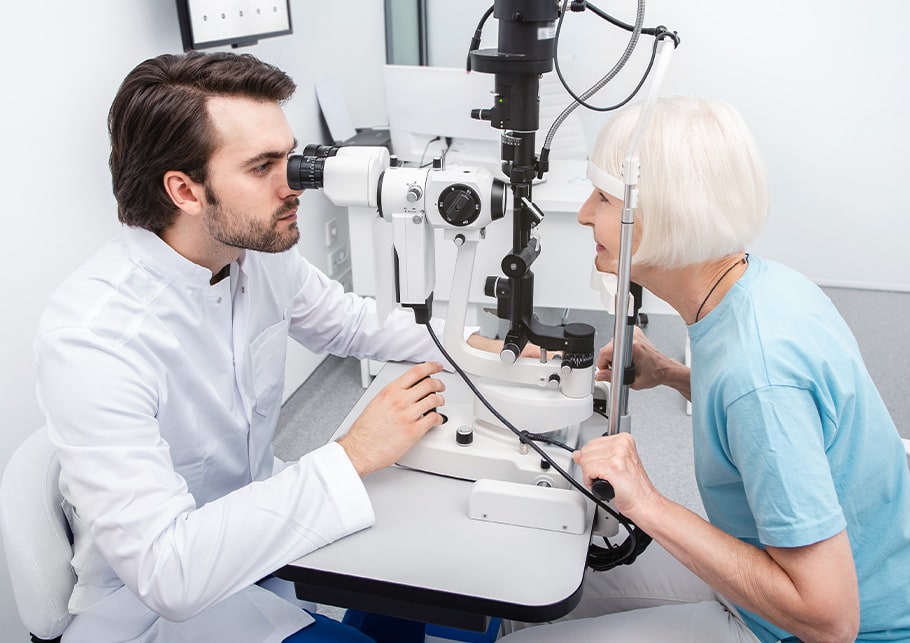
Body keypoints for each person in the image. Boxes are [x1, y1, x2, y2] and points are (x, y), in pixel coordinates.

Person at [34, 51, 451, 642]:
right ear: (185, 190)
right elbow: (168, 573)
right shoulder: (94, 338)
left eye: (291, 156)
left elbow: (351, 323)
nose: (297, 183)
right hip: (158, 602)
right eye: (263, 167)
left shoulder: (252, 254)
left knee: (420, 561)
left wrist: (486, 344)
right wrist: (353, 453)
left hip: (257, 526)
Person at [500, 97, 910, 642]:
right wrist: (670, 373)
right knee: (525, 595)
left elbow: (830, 621)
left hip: (810, 623)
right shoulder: (763, 287)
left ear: (666, 211)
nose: (582, 214)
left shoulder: (758, 375)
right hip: (784, 563)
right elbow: (792, 419)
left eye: (603, 197)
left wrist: (646, 502)